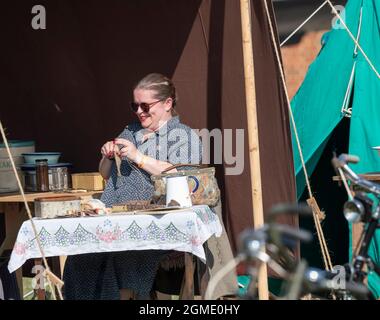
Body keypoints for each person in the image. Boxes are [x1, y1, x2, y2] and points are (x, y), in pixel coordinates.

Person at [63, 73, 202, 299]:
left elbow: (184, 177)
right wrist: (107, 156)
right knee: (80, 257)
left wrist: (139, 157)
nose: (139, 112)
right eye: (135, 106)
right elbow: (105, 174)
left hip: (154, 225)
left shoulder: (184, 136)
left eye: (145, 106)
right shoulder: (130, 131)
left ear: (167, 103)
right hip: (111, 215)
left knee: (123, 258)